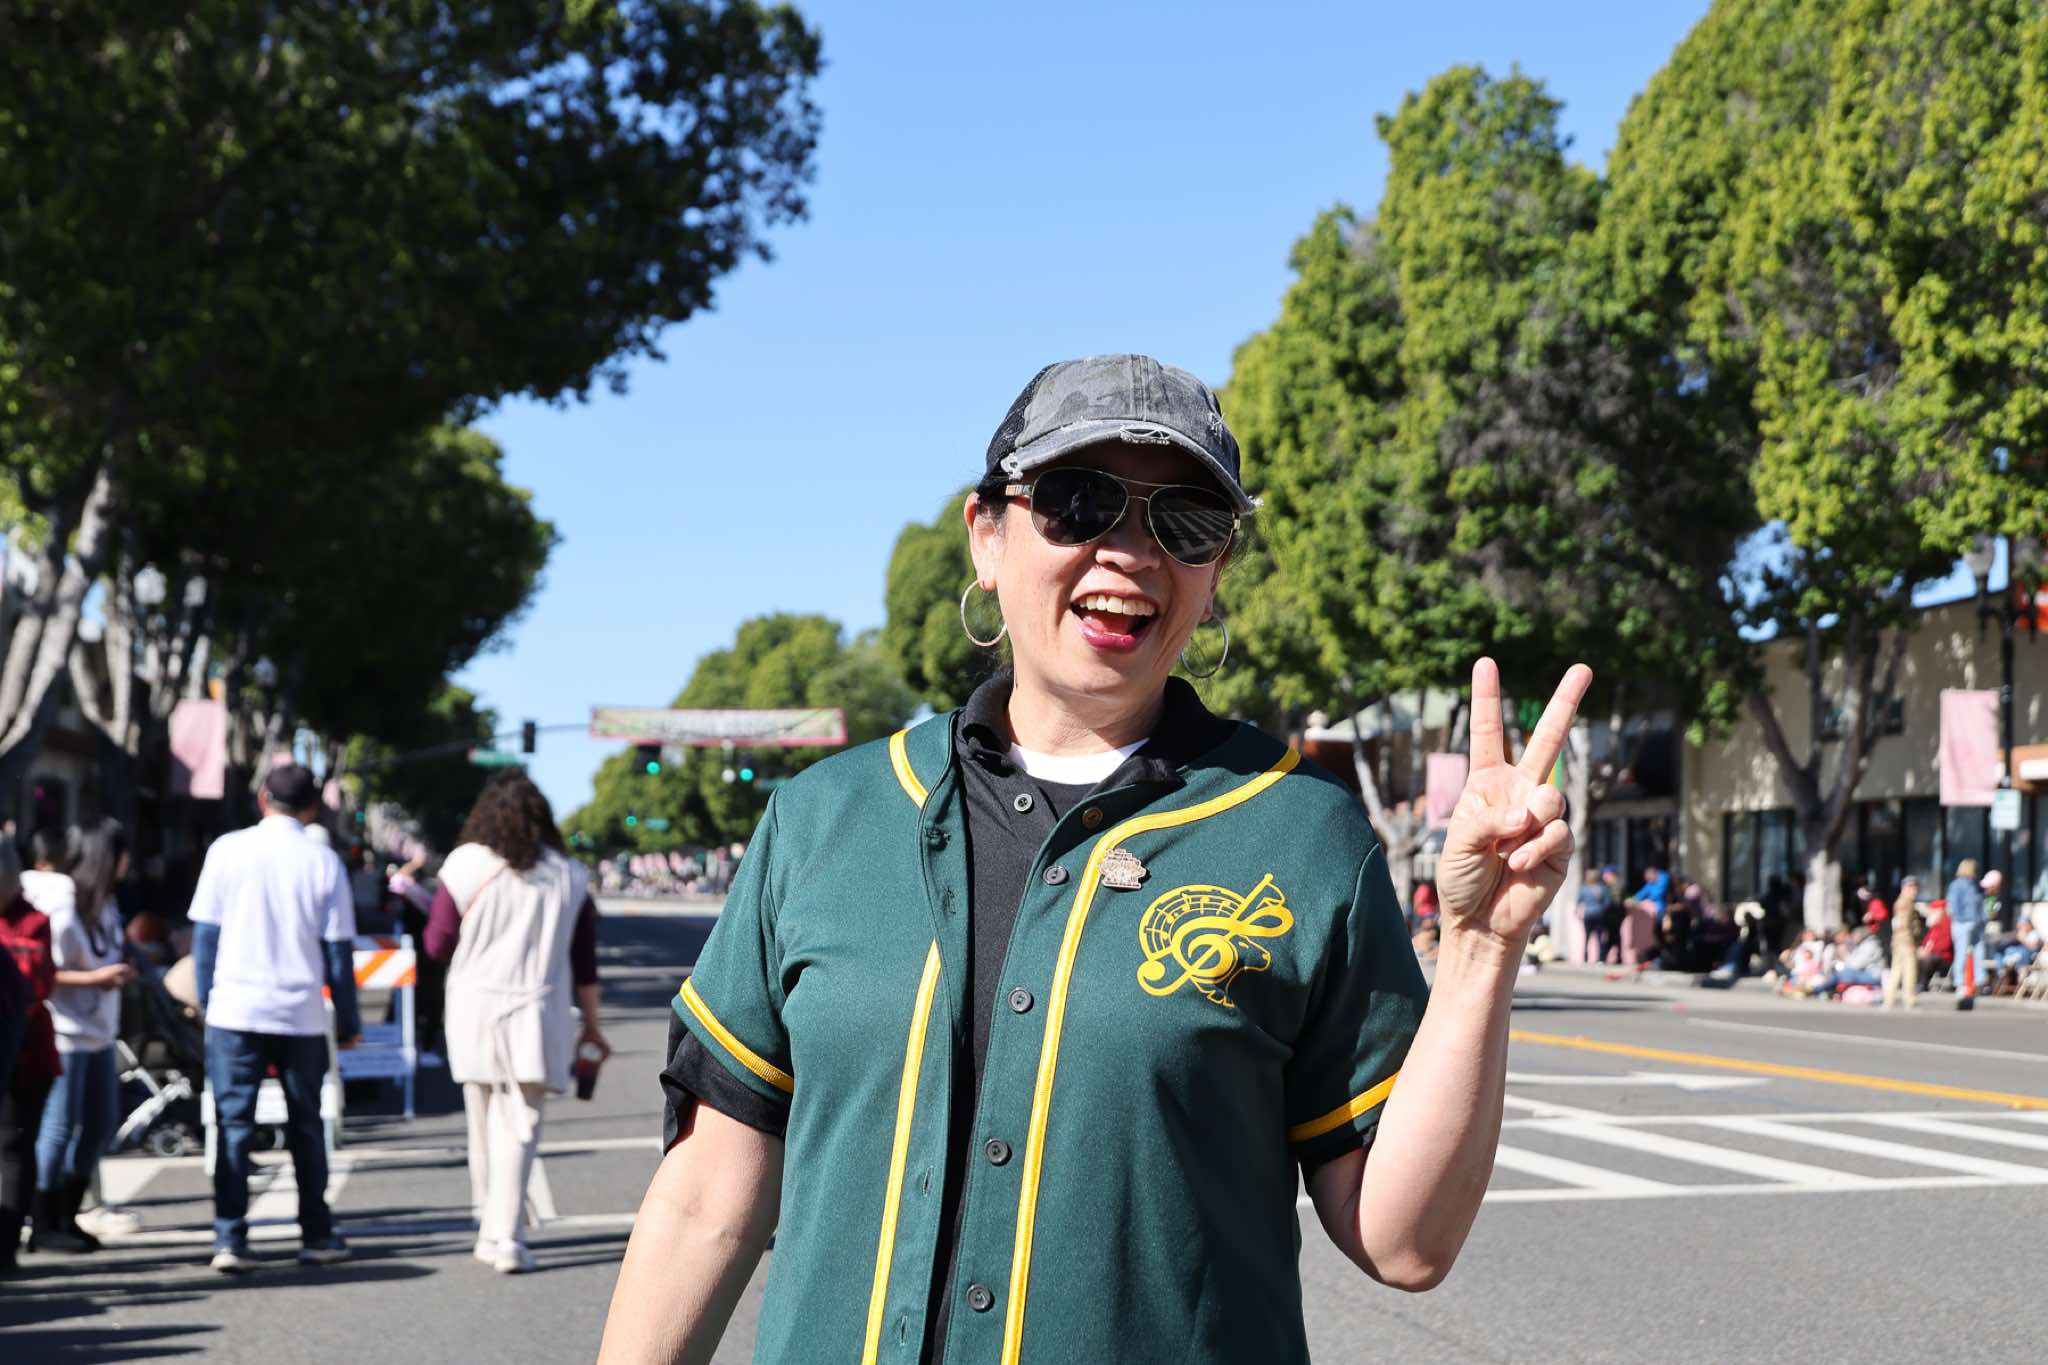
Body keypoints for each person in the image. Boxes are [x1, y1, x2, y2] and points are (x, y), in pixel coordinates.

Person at [597, 354, 1591, 1364]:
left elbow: (1407, 1244)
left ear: (1215, 573)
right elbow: (705, 1203)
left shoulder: (1301, 831)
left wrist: (1480, 950)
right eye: (1078, 501)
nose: (1130, 552)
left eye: (1185, 521)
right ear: (986, 536)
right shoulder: (824, 818)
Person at [425, 771, 609, 1275]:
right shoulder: (569, 875)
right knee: (521, 1126)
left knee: (482, 1120)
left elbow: (437, 943)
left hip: (473, 1007)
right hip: (536, 1010)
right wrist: (592, 1026)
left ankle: (490, 1227)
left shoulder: (464, 864)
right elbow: (585, 963)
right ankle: (506, 1234)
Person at [189, 765, 360, 1272]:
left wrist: (207, 1001)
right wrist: (348, 1021)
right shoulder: (323, 861)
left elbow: (205, 938)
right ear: (312, 808)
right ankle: (316, 1233)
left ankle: (230, 1237)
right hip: (299, 1012)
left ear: (263, 798)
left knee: (233, 1126)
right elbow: (337, 953)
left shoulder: (227, 850)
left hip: (235, 1009)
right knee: (306, 1124)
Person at [29, 824, 132, 1254]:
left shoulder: (105, 902)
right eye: (123, 853)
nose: (129, 862)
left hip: (100, 1032)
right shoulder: (63, 902)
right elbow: (46, 972)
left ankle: (67, 1213)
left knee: (102, 1123)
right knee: (58, 1128)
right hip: (66, 1032)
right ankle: (43, 1221)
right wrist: (97, 978)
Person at [0, 841, 58, 1269]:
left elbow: (37, 986)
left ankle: (5, 1247)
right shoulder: (33, 922)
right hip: (24, 1041)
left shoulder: (34, 922)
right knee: (15, 1147)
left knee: (14, 1146)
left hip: (26, 1049)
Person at [1944, 858, 1987, 1010]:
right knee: (1961, 953)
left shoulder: (1976, 885)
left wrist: (1983, 920)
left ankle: (1979, 980)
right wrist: (1962, 919)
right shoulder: (1957, 885)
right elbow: (1953, 905)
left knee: (1979, 951)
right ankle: (1960, 984)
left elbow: (1981, 904)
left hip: (1977, 923)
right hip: (1963, 923)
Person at [1883, 876, 1922, 1009]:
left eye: (1915, 888)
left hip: (1899, 941)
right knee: (1910, 970)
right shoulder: (1906, 903)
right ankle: (1909, 1000)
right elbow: (1904, 925)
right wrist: (1911, 942)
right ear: (1904, 888)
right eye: (1911, 887)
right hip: (1905, 941)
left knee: (1897, 971)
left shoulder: (1902, 902)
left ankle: (1888, 1000)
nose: (1914, 891)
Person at [1576, 867, 1616, 964]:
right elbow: (1608, 902)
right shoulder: (1602, 888)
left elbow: (1578, 901)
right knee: (1600, 937)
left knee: (1587, 937)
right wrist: (1601, 909)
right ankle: (1600, 959)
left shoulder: (1584, 888)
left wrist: (1577, 912)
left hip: (1588, 914)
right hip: (1599, 915)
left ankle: (1585, 958)